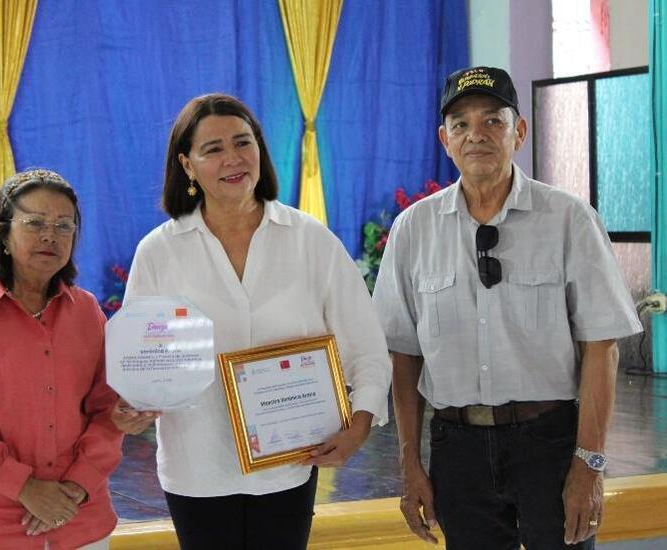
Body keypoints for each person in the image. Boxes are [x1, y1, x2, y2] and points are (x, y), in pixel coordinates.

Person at [373, 66, 643, 549]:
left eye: (492, 120)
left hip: (551, 443)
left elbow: (602, 346)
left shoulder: (568, 219)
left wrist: (590, 463)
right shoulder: (414, 230)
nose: (476, 134)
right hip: (458, 450)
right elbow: (402, 355)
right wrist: (410, 463)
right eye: (461, 124)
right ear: (444, 139)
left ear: (519, 131)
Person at [111, 93, 392, 549]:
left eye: (243, 143)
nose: (233, 159)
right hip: (197, 468)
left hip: (290, 465)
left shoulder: (310, 241)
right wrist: (134, 403)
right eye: (213, 149)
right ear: (187, 165)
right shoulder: (159, 252)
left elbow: (366, 345)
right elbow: (143, 364)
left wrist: (360, 424)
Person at [0, 169, 124, 549]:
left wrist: (78, 485)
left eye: (64, 226)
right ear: (4, 234)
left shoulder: (87, 312)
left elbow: (107, 410)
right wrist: (25, 488)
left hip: (77, 513)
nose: (50, 235)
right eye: (34, 223)